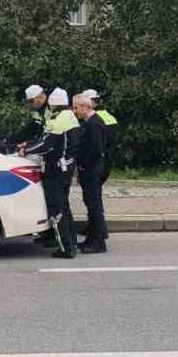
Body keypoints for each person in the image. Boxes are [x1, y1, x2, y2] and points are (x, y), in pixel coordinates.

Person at [23, 87, 80, 257]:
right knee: (66, 208)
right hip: (67, 168)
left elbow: (46, 145)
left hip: (55, 170)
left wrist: (25, 150)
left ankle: (65, 248)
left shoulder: (56, 121)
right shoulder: (71, 117)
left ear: (53, 104)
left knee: (57, 210)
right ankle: (73, 243)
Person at [72, 92, 109, 253]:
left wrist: (81, 165)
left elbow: (95, 150)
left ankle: (98, 242)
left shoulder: (93, 124)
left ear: (86, 107)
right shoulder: (91, 122)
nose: (74, 111)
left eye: (76, 108)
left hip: (92, 170)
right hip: (91, 169)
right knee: (92, 204)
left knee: (94, 205)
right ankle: (93, 238)